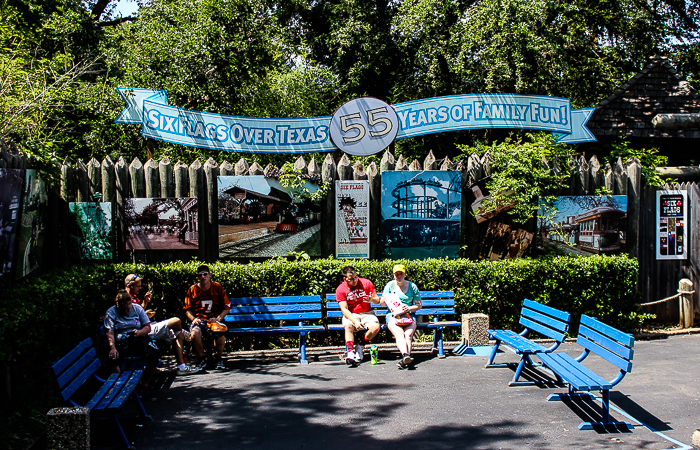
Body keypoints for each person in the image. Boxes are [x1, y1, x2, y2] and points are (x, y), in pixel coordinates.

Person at [125, 274, 194, 375]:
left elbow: (139, 314)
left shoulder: (134, 297)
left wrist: (145, 303)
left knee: (177, 333)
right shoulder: (126, 300)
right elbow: (132, 321)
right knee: (176, 321)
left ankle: (181, 366)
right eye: (138, 286)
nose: (140, 288)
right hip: (143, 331)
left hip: (147, 326)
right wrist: (145, 315)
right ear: (130, 285)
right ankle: (184, 332)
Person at [104, 290, 160, 391]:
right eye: (123, 309)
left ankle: (145, 384)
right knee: (112, 358)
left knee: (154, 354)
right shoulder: (111, 313)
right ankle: (120, 386)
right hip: (120, 341)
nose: (126, 312)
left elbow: (147, 327)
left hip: (138, 337)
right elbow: (110, 332)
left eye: (128, 309)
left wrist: (139, 333)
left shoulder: (137, 308)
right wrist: (112, 348)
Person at [184, 265, 231, 371]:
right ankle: (201, 359)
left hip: (214, 320)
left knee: (219, 332)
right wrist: (193, 319)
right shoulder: (192, 289)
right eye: (200, 275)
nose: (203, 277)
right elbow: (187, 309)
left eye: (205, 274)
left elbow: (227, 307)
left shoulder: (217, 287)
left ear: (210, 275)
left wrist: (218, 318)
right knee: (195, 333)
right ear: (198, 277)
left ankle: (219, 358)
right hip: (199, 320)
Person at [335, 265, 380, 366]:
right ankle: (350, 353)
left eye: (356, 277)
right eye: (351, 279)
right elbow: (344, 310)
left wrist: (371, 300)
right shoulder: (341, 289)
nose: (355, 280)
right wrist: (355, 322)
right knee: (348, 326)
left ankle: (360, 345)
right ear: (345, 279)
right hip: (352, 314)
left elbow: (377, 300)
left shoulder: (366, 283)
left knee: (376, 327)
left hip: (367, 313)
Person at [382, 264, 422, 369]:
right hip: (393, 314)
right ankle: (406, 355)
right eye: (396, 274)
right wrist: (384, 298)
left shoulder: (412, 286)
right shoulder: (390, 286)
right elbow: (382, 304)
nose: (399, 276)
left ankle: (405, 359)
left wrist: (409, 308)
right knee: (399, 333)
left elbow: (419, 305)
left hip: (408, 314)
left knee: (408, 334)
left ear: (404, 274)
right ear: (393, 275)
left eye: (401, 274)